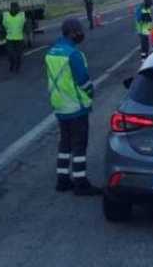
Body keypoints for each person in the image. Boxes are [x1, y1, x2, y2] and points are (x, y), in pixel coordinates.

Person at [45, 18, 101, 196]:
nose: (81, 33)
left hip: (59, 104)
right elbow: (83, 80)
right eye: (79, 31)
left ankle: (62, 180)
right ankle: (80, 182)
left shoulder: (51, 52)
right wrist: (91, 93)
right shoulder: (74, 54)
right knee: (79, 145)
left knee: (65, 143)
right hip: (76, 106)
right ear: (72, 32)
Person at [2, 2, 27, 73]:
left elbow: (24, 25)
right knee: (10, 54)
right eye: (13, 7)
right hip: (10, 39)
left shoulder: (21, 15)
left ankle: (17, 67)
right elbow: (4, 25)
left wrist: (25, 35)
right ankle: (12, 64)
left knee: (18, 55)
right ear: (10, 8)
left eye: (16, 8)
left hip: (19, 39)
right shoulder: (6, 15)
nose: (15, 9)